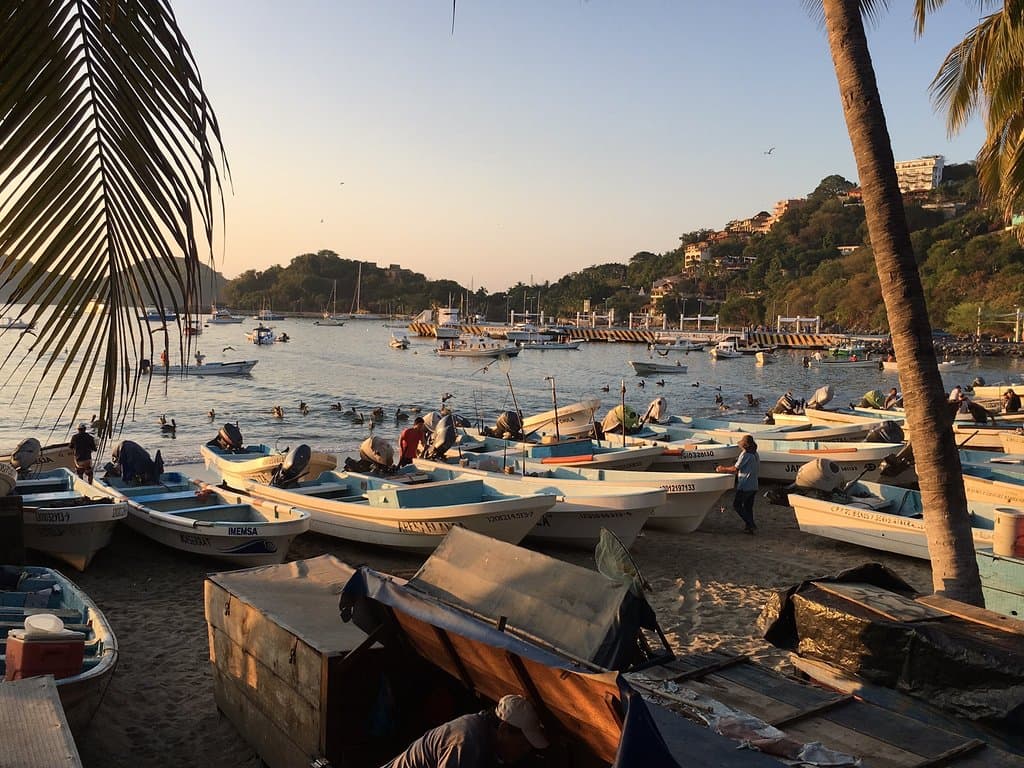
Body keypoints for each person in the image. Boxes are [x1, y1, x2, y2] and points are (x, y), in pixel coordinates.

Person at [380, 694, 548, 768]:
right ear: (504, 729)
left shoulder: (484, 735)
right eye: (524, 743)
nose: (526, 750)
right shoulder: (468, 741)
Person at [716, 434, 759, 534]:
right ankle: (749, 527)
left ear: (744, 445)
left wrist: (722, 468)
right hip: (754, 484)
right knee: (748, 507)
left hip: (745, 485)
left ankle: (751, 524)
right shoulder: (755, 454)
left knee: (737, 505)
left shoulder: (745, 454)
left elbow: (735, 468)